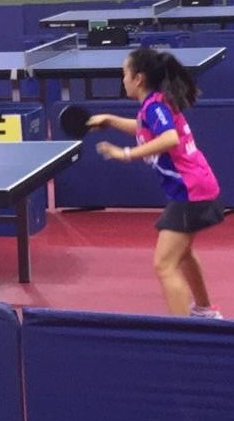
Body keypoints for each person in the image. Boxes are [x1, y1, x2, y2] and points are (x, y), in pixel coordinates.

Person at [88, 47, 224, 319]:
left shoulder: (156, 106)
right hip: (197, 186)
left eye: (124, 74)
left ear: (138, 78)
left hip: (191, 190)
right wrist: (111, 120)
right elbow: (144, 128)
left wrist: (125, 154)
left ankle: (182, 333)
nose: (122, 80)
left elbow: (169, 138)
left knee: (164, 264)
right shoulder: (154, 103)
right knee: (182, 253)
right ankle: (205, 312)